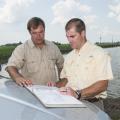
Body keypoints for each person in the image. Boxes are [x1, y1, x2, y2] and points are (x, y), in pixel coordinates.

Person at [58, 18, 113, 110]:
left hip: (93, 105)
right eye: (67, 37)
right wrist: (55, 85)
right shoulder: (69, 56)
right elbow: (66, 79)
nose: (69, 40)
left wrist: (77, 94)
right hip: (70, 104)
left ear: (82, 33)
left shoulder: (99, 53)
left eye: (72, 36)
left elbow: (103, 84)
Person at [6, 17, 64, 87]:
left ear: (44, 30)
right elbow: (10, 67)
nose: (38, 36)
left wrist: (61, 83)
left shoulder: (53, 47)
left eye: (41, 32)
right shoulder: (22, 49)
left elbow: (62, 67)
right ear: (30, 32)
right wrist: (18, 77)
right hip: (33, 93)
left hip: (53, 91)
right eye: (34, 33)